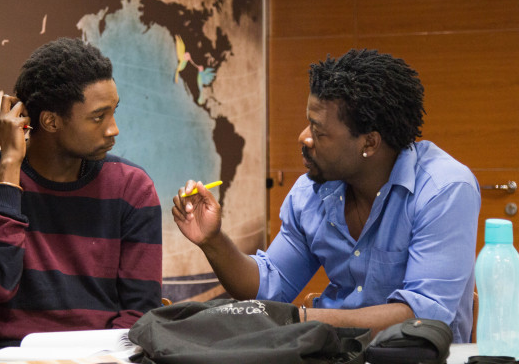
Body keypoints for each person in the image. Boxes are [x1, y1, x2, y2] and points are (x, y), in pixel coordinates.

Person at [173, 49, 480, 343]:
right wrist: (213, 241)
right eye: (309, 123)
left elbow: (421, 318)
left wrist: (300, 321)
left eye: (319, 132)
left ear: (369, 143)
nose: (304, 137)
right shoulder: (311, 193)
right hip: (335, 353)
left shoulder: (444, 189)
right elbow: (268, 286)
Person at [0, 37, 162, 350]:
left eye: (113, 112)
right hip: (9, 355)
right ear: (50, 121)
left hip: (103, 356)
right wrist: (9, 169)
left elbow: (139, 312)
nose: (113, 128)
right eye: (98, 116)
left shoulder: (132, 187)